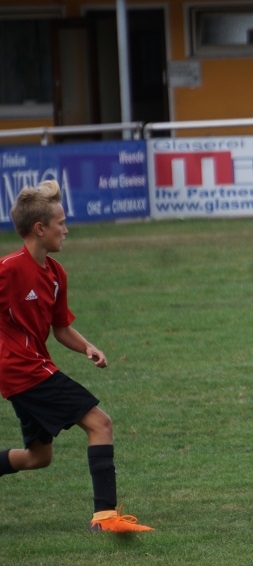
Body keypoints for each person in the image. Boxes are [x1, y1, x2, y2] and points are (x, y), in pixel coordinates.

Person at [0, 181, 153, 533]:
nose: (66, 230)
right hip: (24, 370)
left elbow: (61, 328)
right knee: (101, 424)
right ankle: (105, 517)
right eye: (62, 223)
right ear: (40, 229)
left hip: (31, 369)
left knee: (38, 457)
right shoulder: (9, 269)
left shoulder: (56, 274)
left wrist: (87, 346)